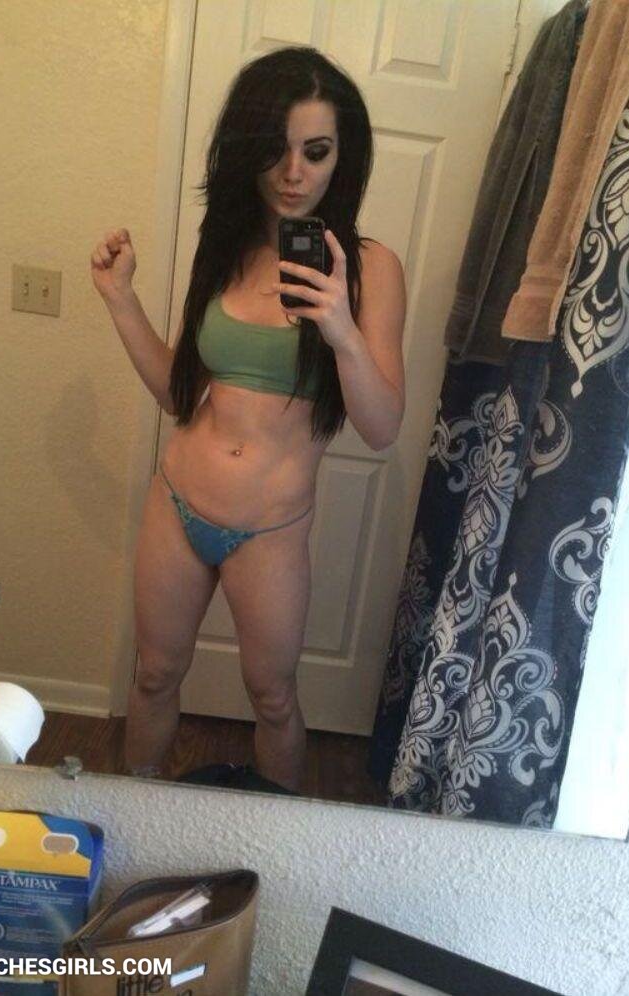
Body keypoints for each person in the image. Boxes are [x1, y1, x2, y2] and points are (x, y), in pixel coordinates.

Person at [90, 46, 406, 792]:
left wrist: (341, 327)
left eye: (316, 151)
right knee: (154, 674)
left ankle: (273, 846)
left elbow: (382, 426)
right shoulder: (225, 247)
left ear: (343, 157)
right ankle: (137, 818)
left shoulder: (369, 267)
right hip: (178, 501)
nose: (293, 172)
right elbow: (180, 394)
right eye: (275, 149)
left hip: (271, 528)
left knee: (273, 697)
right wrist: (120, 298)